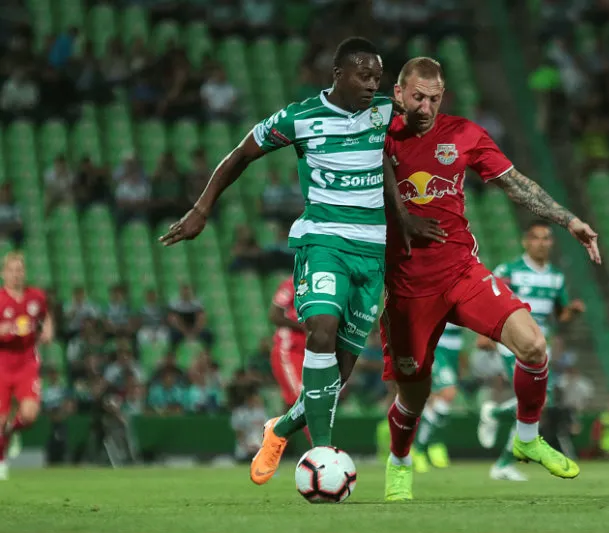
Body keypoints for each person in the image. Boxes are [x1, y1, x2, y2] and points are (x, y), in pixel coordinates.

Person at [157, 38, 442, 486]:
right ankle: (323, 453)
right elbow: (241, 154)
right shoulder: (299, 117)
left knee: (338, 376)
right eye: (364, 75)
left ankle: (281, 428)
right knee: (321, 328)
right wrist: (201, 209)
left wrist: (403, 216)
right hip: (323, 241)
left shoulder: (384, 113)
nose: (372, 84)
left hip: (372, 252)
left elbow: (387, 159)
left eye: (377, 77)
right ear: (338, 75)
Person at [378, 57, 598, 501]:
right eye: (417, 97)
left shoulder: (464, 134)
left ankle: (526, 437)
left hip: (462, 272)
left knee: (533, 345)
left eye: (435, 98)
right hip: (408, 287)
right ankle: (400, 460)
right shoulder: (377, 135)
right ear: (398, 94)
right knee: (414, 397)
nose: (426, 107)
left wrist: (568, 220)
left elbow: (515, 183)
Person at [476, 221, 586, 482]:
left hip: (539, 344)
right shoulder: (509, 270)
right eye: (535, 238)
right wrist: (484, 333)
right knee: (536, 401)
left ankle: (499, 446)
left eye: (546, 238)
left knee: (536, 405)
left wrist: (572, 312)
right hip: (511, 341)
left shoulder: (556, 277)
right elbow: (489, 300)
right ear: (525, 242)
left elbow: (559, 315)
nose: (541, 243)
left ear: (551, 243)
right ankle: (502, 452)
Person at [0, 252, 54, 480]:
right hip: (2, 364)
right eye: (11, 270)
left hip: (27, 363)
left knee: (30, 416)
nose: (16, 274)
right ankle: (1, 459)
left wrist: (48, 330)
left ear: (24, 272)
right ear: (4, 273)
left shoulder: (36, 296)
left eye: (19, 270)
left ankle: (10, 432)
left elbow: (45, 315)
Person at [411, 323, 465, 473]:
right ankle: (420, 448)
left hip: (454, 347)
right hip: (436, 343)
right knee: (448, 392)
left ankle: (432, 444)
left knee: (439, 401)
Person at [268, 276, 305, 410]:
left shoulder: (326, 283)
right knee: (303, 400)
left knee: (293, 404)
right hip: (289, 350)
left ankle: (277, 425)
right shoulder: (294, 283)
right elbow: (275, 315)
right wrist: (303, 327)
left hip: (310, 353)